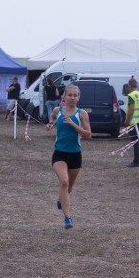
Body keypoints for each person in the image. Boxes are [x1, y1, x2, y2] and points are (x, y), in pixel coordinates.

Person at [46, 84, 91, 229]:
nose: (72, 98)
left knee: (69, 187)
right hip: (59, 153)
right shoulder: (58, 110)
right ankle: (67, 218)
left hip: (75, 155)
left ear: (79, 97)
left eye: (75, 95)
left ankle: (61, 199)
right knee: (64, 182)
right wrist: (51, 124)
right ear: (64, 97)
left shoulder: (82, 114)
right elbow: (52, 118)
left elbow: (88, 134)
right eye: (70, 95)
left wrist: (73, 124)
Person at [124, 78, 139, 168]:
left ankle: (136, 161)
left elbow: (131, 109)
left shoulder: (131, 95)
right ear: (136, 86)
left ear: (129, 86)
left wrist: (127, 121)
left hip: (134, 122)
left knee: (135, 142)